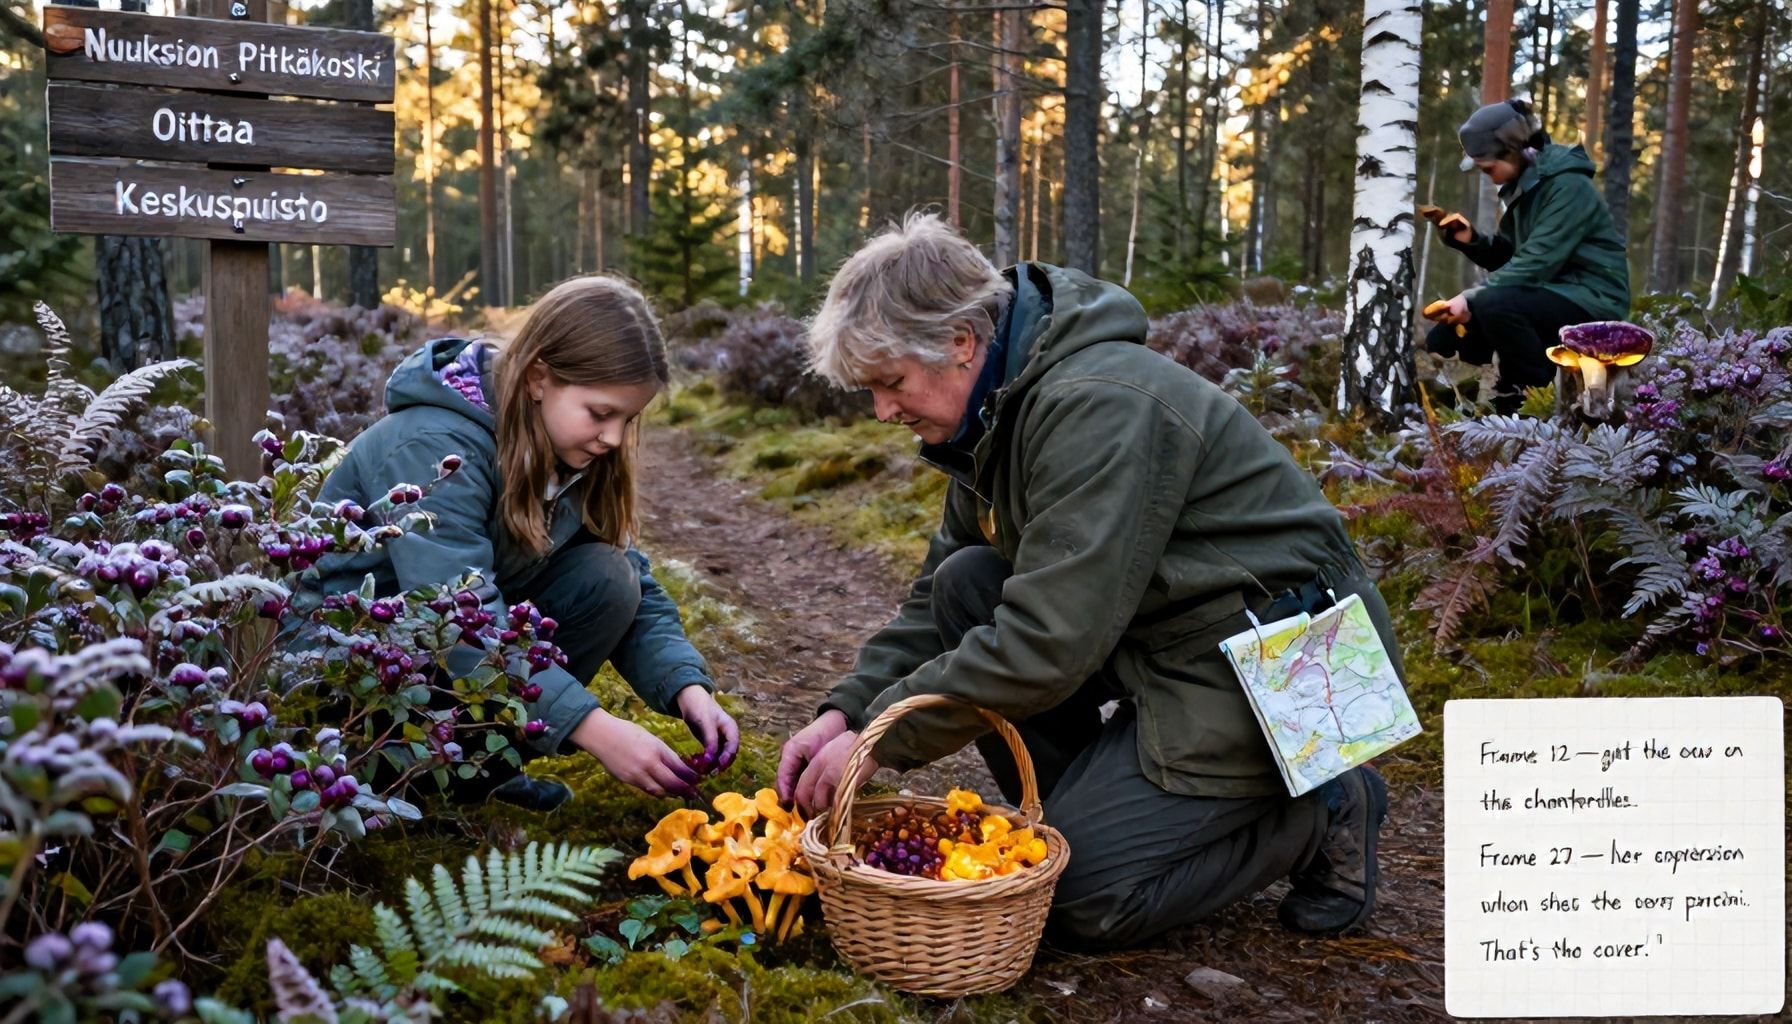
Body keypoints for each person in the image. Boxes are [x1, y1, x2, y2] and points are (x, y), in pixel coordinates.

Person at [776, 213, 1403, 948]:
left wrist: (883, 740)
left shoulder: (1098, 404)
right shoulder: (993, 415)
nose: (883, 410)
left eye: (891, 382)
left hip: (1297, 669)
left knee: (1072, 898)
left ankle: (1324, 807)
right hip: (1172, 636)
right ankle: (1119, 815)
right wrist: (849, 713)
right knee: (966, 583)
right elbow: (932, 600)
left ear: (961, 341)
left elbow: (1051, 639)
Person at [293, 276, 738, 811]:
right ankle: (403, 780)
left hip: (432, 653)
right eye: (601, 414)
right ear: (537, 379)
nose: (614, 438)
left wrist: (686, 687)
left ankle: (479, 772)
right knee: (482, 625)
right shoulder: (433, 446)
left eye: (628, 418)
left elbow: (634, 581)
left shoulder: (564, 447)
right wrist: (594, 727)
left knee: (610, 578)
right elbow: (459, 618)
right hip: (345, 676)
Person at [1423, 98, 1632, 414]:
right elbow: (1512, 258)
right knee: (1444, 336)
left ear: (1512, 151)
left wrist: (1471, 297)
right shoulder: (1524, 187)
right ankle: (1445, 416)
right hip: (1550, 290)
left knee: (1493, 305)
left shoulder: (1568, 186)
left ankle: (1531, 403)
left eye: (1488, 167)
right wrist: (1472, 241)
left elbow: (1536, 262)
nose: (1487, 174)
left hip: (1592, 298)